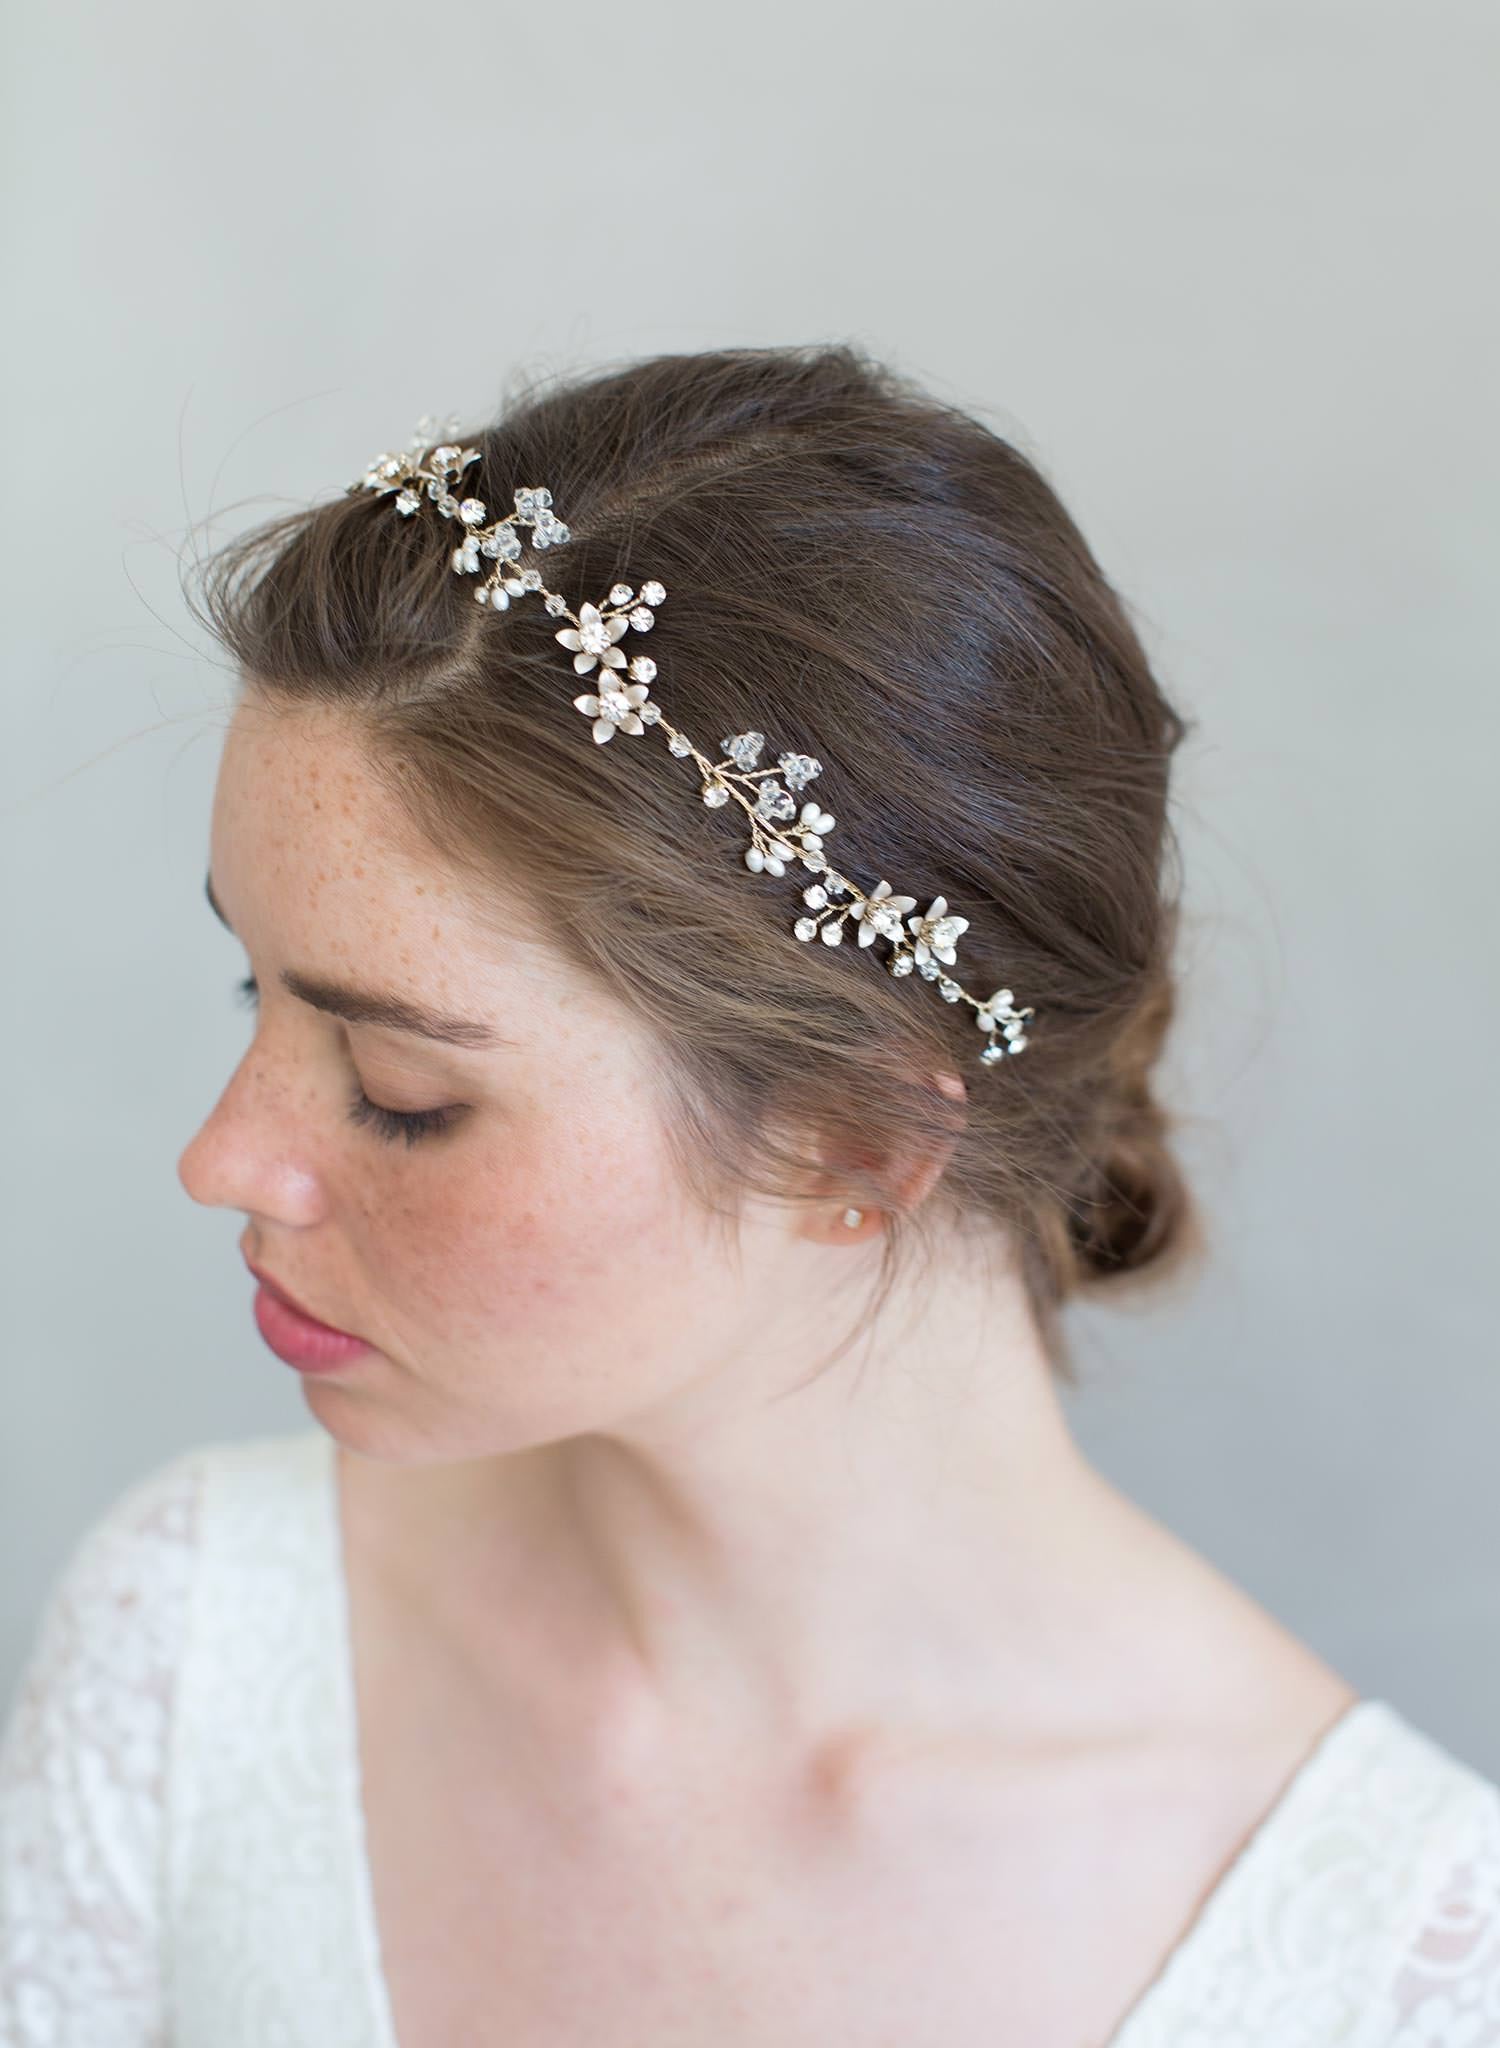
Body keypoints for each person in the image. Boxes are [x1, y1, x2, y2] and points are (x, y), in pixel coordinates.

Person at [2, 342, 1495, 2045]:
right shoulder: (200, 1647)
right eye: (249, 994)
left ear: (854, 1140)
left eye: (403, 1095)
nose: (222, 1160)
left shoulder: (1391, 1967)